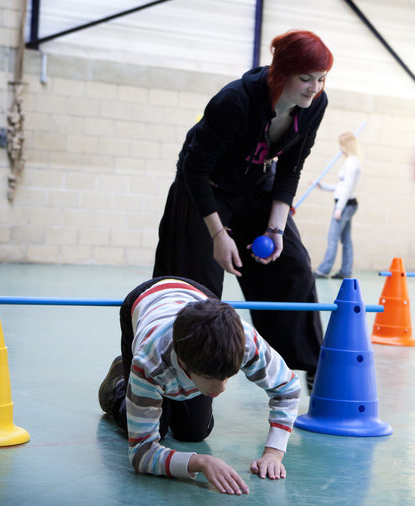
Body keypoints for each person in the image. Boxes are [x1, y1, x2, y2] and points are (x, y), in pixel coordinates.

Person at [153, 30, 333, 390]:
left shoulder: (316, 105)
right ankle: (180, 374)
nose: (315, 88)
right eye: (306, 78)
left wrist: (276, 230)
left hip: (255, 187)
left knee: (293, 267)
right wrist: (219, 235)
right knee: (197, 289)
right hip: (203, 190)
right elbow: (195, 170)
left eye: (322, 78)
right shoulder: (234, 101)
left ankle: (312, 366)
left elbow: (291, 168)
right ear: (282, 73)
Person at [97, 277, 302, 495]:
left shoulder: (244, 342)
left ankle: (180, 389)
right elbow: (141, 453)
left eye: (227, 377)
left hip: (200, 301)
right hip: (142, 302)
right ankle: (120, 381)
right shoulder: (149, 362)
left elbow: (288, 388)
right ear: (184, 363)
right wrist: (200, 462)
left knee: (195, 431)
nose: (221, 389)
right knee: (157, 426)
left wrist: (273, 453)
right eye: (210, 377)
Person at [312, 132, 362, 279]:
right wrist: (322, 186)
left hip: (345, 205)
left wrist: (339, 208)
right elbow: (342, 186)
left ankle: (324, 270)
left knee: (332, 237)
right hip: (347, 204)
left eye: (341, 144)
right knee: (346, 239)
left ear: (346, 145)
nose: (340, 148)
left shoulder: (351, 162)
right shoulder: (352, 161)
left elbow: (347, 188)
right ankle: (345, 271)